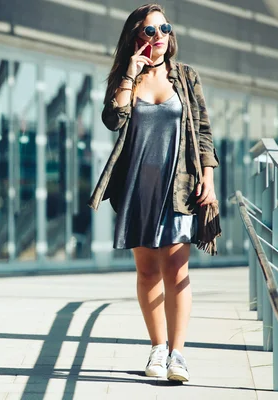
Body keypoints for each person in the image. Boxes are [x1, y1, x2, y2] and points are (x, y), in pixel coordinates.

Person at [88, 4, 220, 382]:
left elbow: (205, 132)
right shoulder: (125, 80)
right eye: (150, 30)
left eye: (164, 28)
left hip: (179, 186)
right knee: (147, 272)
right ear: (135, 36)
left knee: (177, 270)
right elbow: (114, 120)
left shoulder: (186, 77)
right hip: (139, 188)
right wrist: (129, 75)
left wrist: (208, 177)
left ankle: (178, 355)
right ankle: (157, 348)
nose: (159, 35)